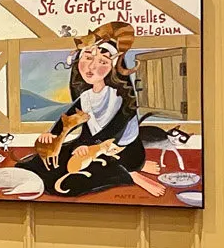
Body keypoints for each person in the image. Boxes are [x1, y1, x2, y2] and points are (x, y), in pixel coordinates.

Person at [18, 21, 166, 198]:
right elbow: (67, 118)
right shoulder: (86, 97)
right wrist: (52, 134)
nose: (91, 68)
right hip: (89, 146)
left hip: (121, 151)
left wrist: (87, 148)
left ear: (113, 65)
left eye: (102, 61)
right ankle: (132, 169)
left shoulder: (120, 98)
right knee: (38, 165)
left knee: (72, 182)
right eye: (88, 58)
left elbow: (114, 133)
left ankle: (131, 173)